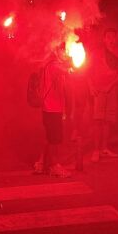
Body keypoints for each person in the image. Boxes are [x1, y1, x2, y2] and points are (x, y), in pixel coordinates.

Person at [34, 45, 73, 178]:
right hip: (52, 108)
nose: (65, 52)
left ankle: (41, 163)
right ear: (56, 51)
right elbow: (69, 70)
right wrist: (72, 63)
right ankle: (54, 166)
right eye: (63, 50)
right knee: (54, 140)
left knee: (50, 138)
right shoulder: (54, 65)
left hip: (51, 108)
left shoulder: (50, 64)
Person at [90, 28, 118, 162]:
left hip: (112, 90)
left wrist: (111, 85)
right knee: (98, 120)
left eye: (113, 37)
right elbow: (88, 69)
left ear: (116, 39)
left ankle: (104, 148)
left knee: (108, 121)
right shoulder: (97, 52)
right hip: (99, 89)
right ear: (104, 39)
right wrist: (91, 87)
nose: (111, 39)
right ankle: (96, 150)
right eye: (108, 37)